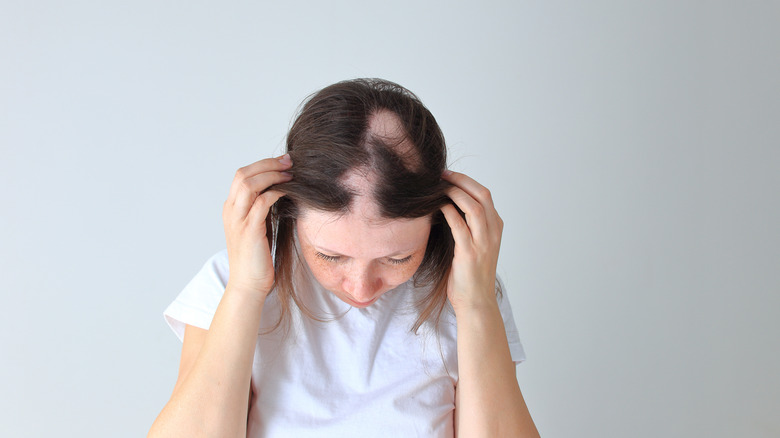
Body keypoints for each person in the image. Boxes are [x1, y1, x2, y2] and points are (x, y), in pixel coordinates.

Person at [148, 78, 540, 438]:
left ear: (439, 222)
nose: (361, 287)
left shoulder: (468, 291)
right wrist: (246, 290)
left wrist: (476, 305)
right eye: (331, 256)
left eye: (398, 258)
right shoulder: (228, 281)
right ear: (289, 212)